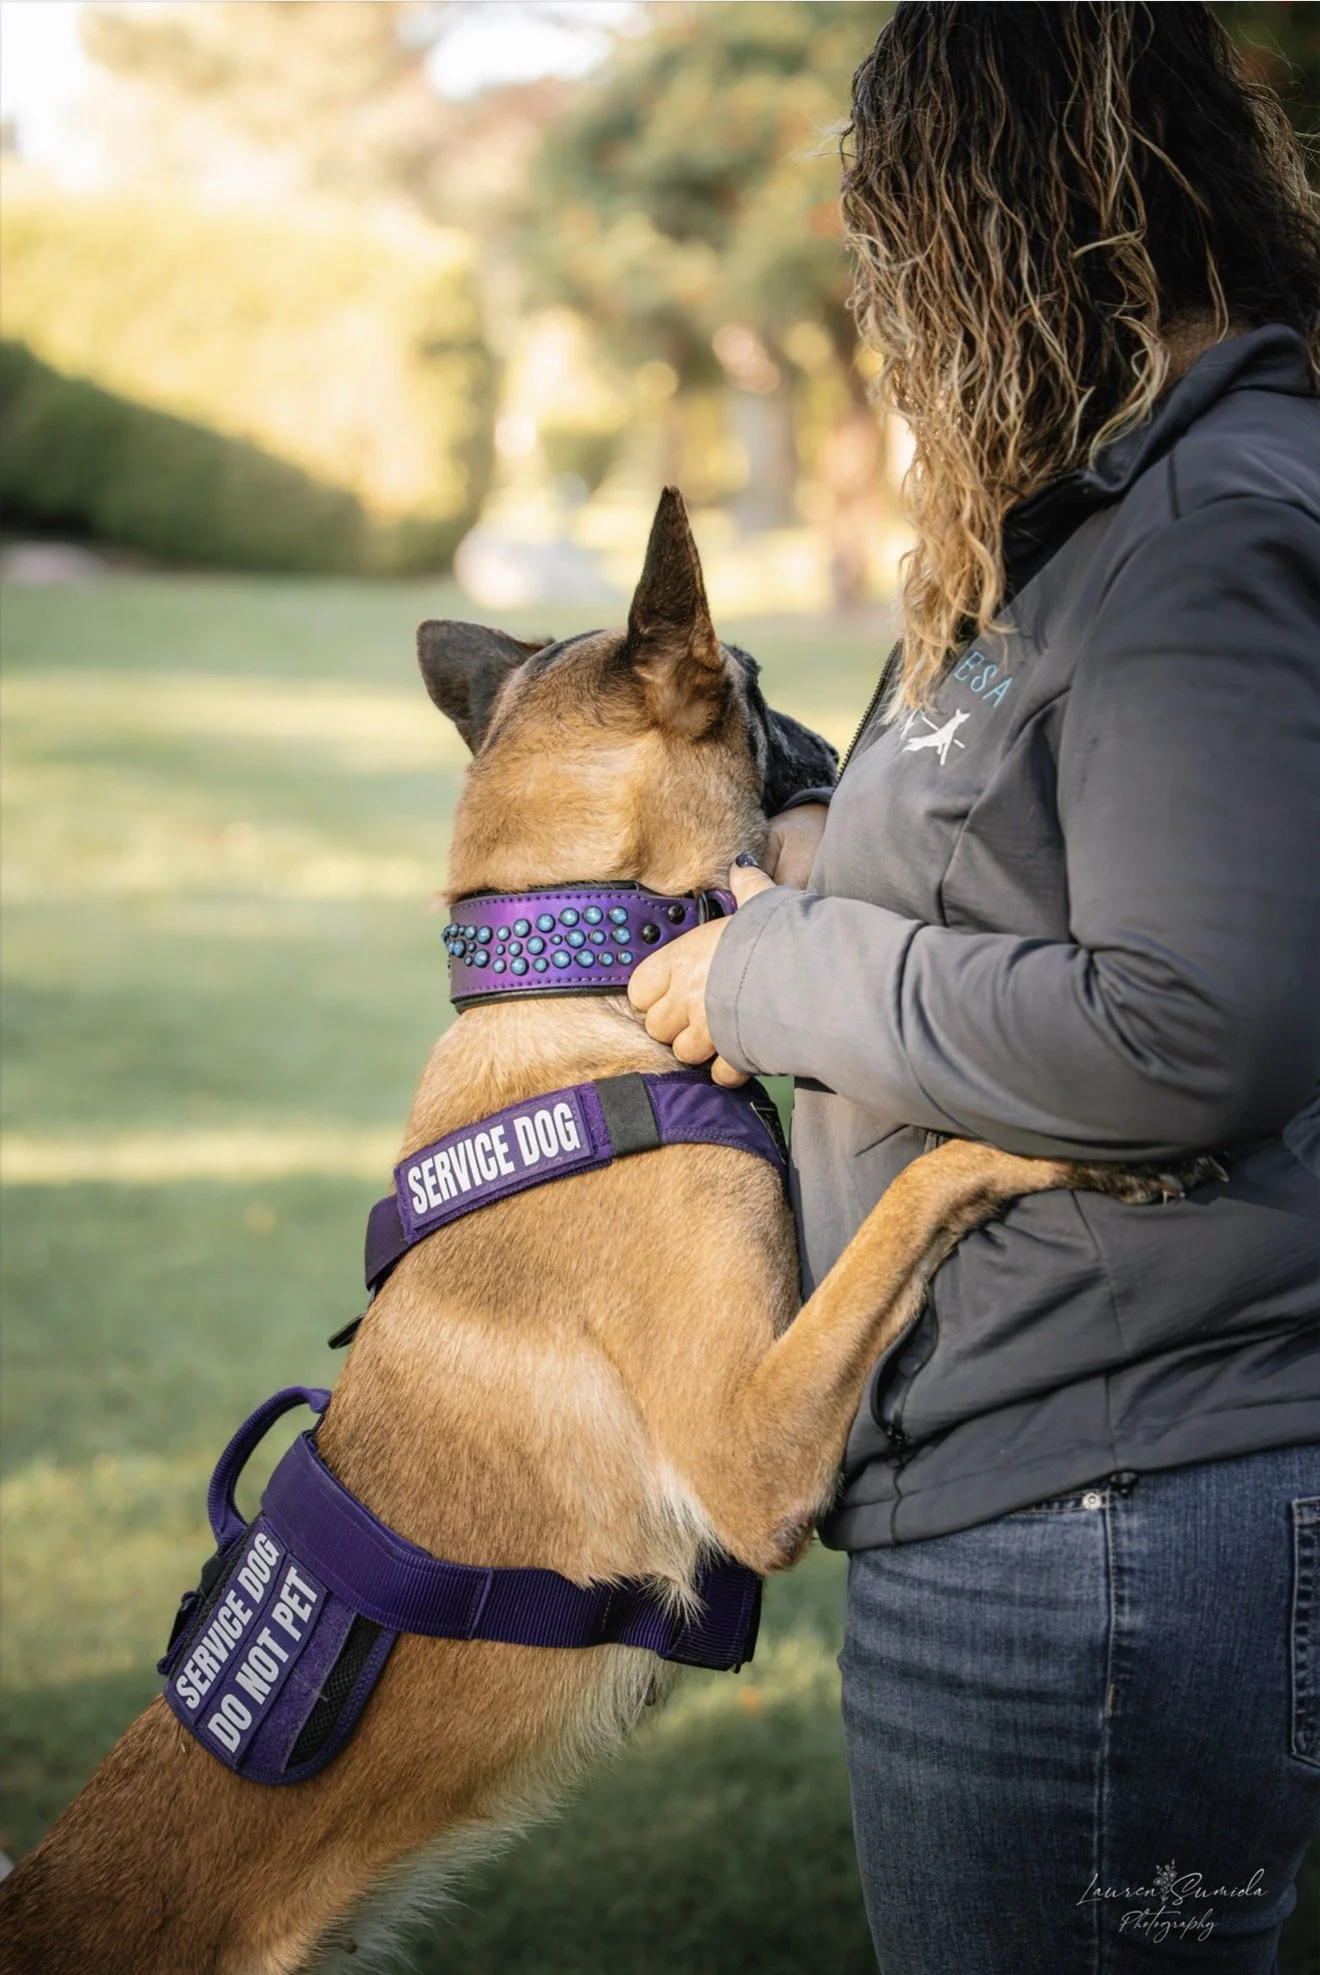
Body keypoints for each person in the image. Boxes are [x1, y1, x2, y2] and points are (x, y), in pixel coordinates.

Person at [627, 6, 1320, 1969]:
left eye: (890, 241)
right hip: (1032, 1493)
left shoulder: (1203, 528)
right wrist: (801, 856)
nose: (871, 297)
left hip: (1110, 1514)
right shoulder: (1097, 509)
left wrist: (779, 970)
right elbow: (1034, 868)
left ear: (1012, 221)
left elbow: (1193, 1023)